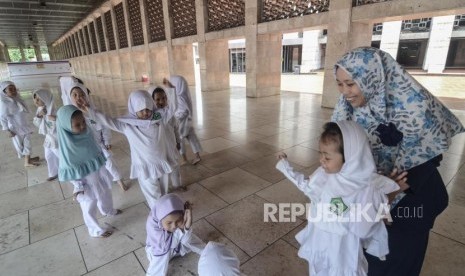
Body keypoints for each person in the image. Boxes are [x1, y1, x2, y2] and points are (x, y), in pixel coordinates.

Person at [331, 47, 465, 276]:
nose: (345, 92)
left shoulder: (415, 105)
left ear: (373, 76)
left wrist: (389, 195)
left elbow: (428, 159)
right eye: (340, 84)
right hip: (369, 206)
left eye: (351, 83)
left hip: (410, 204)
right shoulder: (347, 111)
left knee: (396, 263)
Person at [276, 121, 401, 275]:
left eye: (327, 157)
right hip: (319, 240)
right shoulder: (324, 175)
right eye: (320, 153)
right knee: (317, 269)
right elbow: (307, 187)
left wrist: (384, 197)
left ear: (350, 158)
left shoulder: (365, 187)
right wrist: (286, 166)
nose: (321, 160)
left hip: (342, 250)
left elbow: (363, 228)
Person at [78, 90, 177, 208]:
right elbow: (107, 120)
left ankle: (166, 214)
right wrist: (90, 108)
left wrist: (171, 89)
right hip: (145, 168)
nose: (145, 113)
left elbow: (173, 108)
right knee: (154, 199)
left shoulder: (158, 118)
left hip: (162, 164)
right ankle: (159, 219)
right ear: (134, 109)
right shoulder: (127, 125)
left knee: (164, 193)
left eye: (148, 109)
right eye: (141, 110)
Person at [56, 105, 121, 238]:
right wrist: (78, 186)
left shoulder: (87, 134)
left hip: (98, 173)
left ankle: (108, 210)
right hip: (86, 182)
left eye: (83, 122)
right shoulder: (68, 148)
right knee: (89, 205)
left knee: (105, 192)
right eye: (77, 125)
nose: (82, 127)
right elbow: (70, 169)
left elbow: (97, 148)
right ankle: (95, 230)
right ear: (66, 127)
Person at [67, 83, 128, 191]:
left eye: (82, 95)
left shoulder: (93, 112)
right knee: (94, 171)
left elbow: (104, 127)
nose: (79, 98)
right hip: (84, 149)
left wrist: (107, 141)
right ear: (70, 98)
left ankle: (119, 181)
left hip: (99, 144)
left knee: (110, 163)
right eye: (75, 95)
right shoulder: (70, 116)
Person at [145, 193, 205, 276]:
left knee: (186, 236)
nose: (173, 226)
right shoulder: (152, 225)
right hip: (159, 251)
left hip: (174, 248)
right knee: (180, 234)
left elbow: (185, 240)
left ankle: (206, 251)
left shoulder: (175, 221)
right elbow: (164, 247)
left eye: (178, 220)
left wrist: (187, 224)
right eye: (169, 222)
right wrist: (182, 229)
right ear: (160, 220)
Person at [149, 85, 183, 191]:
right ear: (152, 101)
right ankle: (164, 191)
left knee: (175, 166)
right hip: (159, 149)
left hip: (171, 145)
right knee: (162, 171)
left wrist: (178, 141)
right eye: (157, 99)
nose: (161, 101)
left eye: (164, 98)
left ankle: (177, 185)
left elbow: (176, 128)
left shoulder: (170, 114)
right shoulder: (151, 116)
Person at [164, 76, 202, 165]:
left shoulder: (179, 96)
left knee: (180, 138)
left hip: (182, 121)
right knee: (192, 137)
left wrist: (177, 119)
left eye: (173, 85)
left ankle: (184, 159)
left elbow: (182, 110)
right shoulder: (183, 94)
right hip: (187, 121)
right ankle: (197, 156)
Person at [0, 81, 39, 167]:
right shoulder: (4, 103)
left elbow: (24, 112)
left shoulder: (18, 98)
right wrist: (7, 130)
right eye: (10, 89)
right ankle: (27, 160)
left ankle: (28, 160)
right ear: (4, 91)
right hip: (15, 128)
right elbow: (2, 118)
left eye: (14, 89)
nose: (14, 91)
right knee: (20, 145)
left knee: (27, 143)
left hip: (24, 125)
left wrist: (29, 125)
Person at [32, 88, 59, 181]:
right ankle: (53, 172)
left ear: (46, 98)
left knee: (60, 155)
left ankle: (72, 172)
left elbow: (64, 121)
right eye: (35, 98)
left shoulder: (55, 109)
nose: (36, 101)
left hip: (56, 138)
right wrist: (39, 116)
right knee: (48, 156)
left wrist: (55, 119)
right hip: (48, 138)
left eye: (39, 98)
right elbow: (38, 124)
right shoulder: (40, 109)